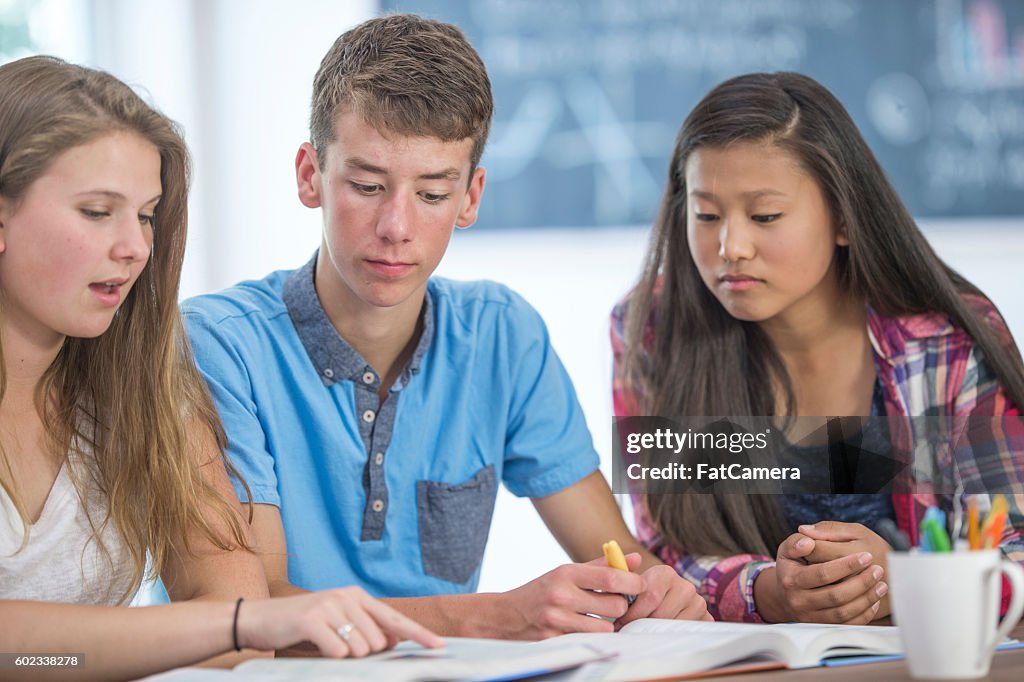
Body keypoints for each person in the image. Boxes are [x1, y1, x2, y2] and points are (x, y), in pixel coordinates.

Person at [183, 13, 709, 640]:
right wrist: (495, 616)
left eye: (432, 194)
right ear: (310, 175)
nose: (397, 227)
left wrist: (657, 591)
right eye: (368, 185)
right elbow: (255, 612)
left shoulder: (502, 336)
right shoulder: (220, 345)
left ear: (471, 197)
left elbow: (616, 552)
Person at [0, 55, 442, 681]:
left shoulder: (146, 385)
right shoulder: (223, 336)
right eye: (98, 212)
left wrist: (238, 622)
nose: (134, 248)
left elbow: (237, 621)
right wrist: (236, 622)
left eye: (147, 215)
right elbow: (239, 622)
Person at [611, 71, 1024, 625]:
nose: (731, 247)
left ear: (845, 219)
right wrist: (770, 591)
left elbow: (1016, 551)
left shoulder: (942, 343)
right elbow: (667, 551)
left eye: (765, 216)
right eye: (707, 215)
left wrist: (906, 584)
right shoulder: (653, 330)